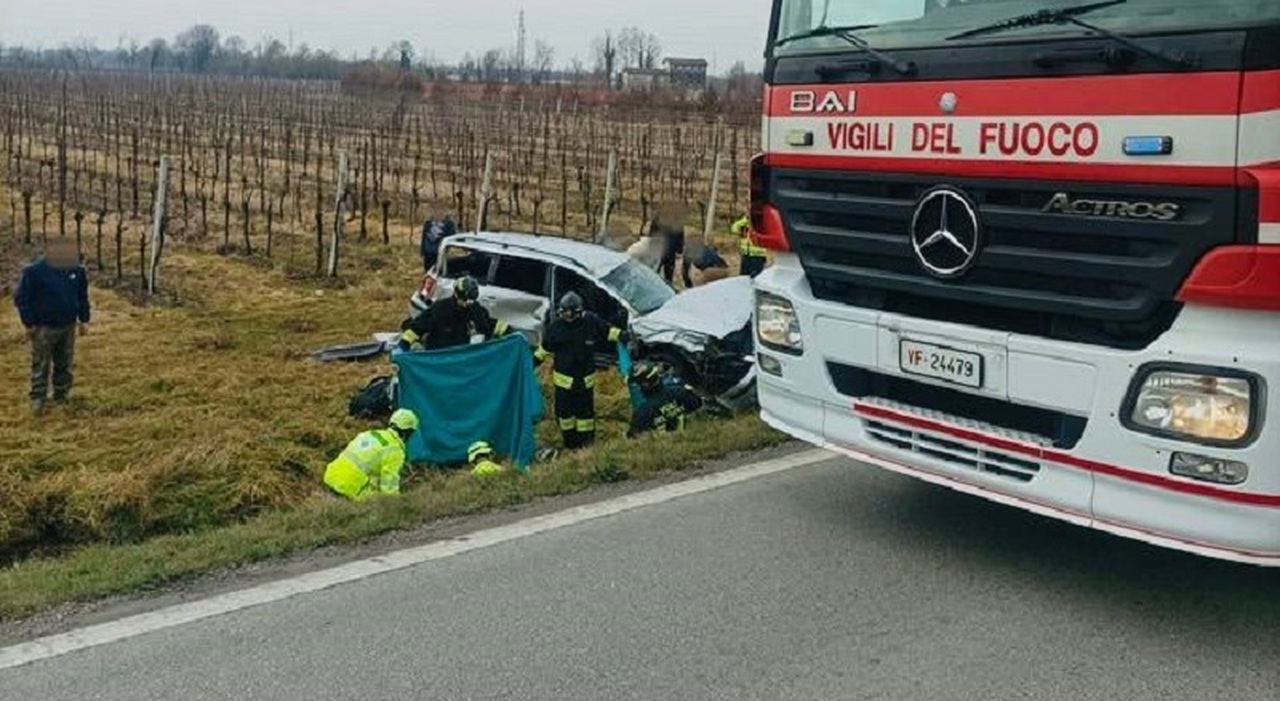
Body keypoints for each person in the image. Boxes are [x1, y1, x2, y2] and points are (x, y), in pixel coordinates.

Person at [534, 292, 630, 450]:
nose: (568, 317)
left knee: (585, 417)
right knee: (565, 418)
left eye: (571, 313)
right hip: (563, 385)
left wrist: (621, 335)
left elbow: (607, 331)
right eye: (565, 313)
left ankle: (586, 445)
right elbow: (544, 349)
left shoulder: (591, 321)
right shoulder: (555, 328)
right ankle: (570, 445)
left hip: (585, 382)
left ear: (579, 312)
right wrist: (532, 361)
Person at [14, 237, 91, 415]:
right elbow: (22, 299)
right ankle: (38, 398)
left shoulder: (77, 271)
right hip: (43, 327)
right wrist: (29, 323)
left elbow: (82, 296)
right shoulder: (34, 272)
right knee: (41, 364)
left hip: (68, 325)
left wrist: (84, 319)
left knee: (65, 362)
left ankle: (61, 395)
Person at [324, 409, 420, 500]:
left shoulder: (370, 433)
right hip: (348, 489)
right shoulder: (395, 450)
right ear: (407, 432)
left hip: (330, 477)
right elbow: (389, 488)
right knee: (380, 501)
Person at [399, 275, 510, 351]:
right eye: (465, 300)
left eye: (471, 300)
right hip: (438, 358)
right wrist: (406, 342)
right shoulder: (440, 309)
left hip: (462, 360)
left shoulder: (476, 311)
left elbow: (489, 325)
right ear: (457, 295)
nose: (468, 303)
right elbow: (418, 326)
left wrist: (509, 332)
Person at [627, 360, 704, 438]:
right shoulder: (682, 391)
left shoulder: (643, 412)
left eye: (637, 383)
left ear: (645, 384)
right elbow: (700, 408)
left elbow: (634, 439)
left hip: (665, 447)